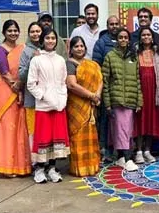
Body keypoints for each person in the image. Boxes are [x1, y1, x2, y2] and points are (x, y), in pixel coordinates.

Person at [27, 26, 70, 183]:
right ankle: (39, 169)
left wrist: (62, 98)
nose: (50, 41)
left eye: (53, 38)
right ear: (42, 40)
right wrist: (43, 96)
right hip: (44, 106)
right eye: (47, 38)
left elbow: (63, 81)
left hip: (59, 105)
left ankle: (52, 168)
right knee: (43, 138)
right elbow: (31, 84)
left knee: (56, 139)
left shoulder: (60, 60)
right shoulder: (36, 60)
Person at [0, 20, 31, 177]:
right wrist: (17, 88)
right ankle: (6, 167)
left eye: (15, 30)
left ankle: (20, 165)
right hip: (5, 91)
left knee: (20, 129)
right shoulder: (0, 50)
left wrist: (20, 89)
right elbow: (5, 73)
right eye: (10, 31)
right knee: (7, 128)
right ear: (4, 33)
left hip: (18, 90)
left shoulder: (22, 49)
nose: (13, 33)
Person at [102, 28, 143, 172]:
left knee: (127, 130)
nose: (123, 40)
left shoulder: (133, 57)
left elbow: (138, 80)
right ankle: (128, 158)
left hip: (131, 100)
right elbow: (105, 81)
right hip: (116, 100)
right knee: (121, 130)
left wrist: (139, 101)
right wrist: (107, 103)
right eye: (121, 37)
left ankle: (120, 157)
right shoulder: (110, 56)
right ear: (117, 40)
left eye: (126, 37)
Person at [66, 36, 103, 177]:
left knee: (92, 135)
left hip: (91, 105)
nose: (79, 49)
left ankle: (92, 166)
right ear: (71, 49)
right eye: (76, 46)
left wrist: (97, 95)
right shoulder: (70, 64)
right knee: (78, 135)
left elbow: (100, 80)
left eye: (82, 46)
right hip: (76, 105)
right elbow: (72, 85)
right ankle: (79, 168)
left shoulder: (92, 64)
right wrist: (92, 96)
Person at [134, 26, 159, 164]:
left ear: (152, 37)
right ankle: (138, 151)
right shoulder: (135, 51)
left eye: (149, 34)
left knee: (151, 121)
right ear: (140, 37)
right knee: (140, 121)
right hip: (140, 91)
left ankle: (147, 150)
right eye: (143, 35)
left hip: (154, 91)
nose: (146, 37)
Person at [92, 15, 121, 162]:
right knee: (105, 119)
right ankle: (105, 150)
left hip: (122, 88)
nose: (114, 26)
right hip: (106, 87)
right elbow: (96, 66)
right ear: (107, 26)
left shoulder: (124, 40)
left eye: (116, 24)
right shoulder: (101, 43)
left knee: (120, 120)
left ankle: (121, 149)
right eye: (111, 24)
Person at [18, 22, 42, 154]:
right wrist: (31, 61)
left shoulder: (47, 48)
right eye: (32, 32)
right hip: (32, 100)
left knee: (45, 133)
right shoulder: (26, 51)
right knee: (33, 132)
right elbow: (21, 75)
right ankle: (35, 163)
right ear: (29, 34)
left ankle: (47, 163)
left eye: (38, 31)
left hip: (47, 100)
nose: (35, 34)